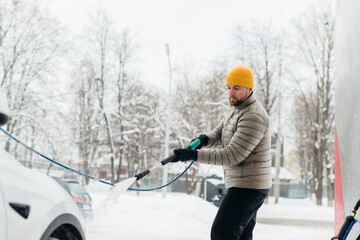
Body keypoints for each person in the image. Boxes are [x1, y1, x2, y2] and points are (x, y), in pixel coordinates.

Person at [171, 66, 272, 240]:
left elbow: (232, 155)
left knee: (222, 234)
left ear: (249, 89)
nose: (230, 93)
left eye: (236, 88)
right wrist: (203, 140)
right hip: (244, 185)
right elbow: (218, 134)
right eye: (229, 87)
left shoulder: (253, 116)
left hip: (249, 187)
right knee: (240, 236)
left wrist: (193, 156)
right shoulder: (237, 109)